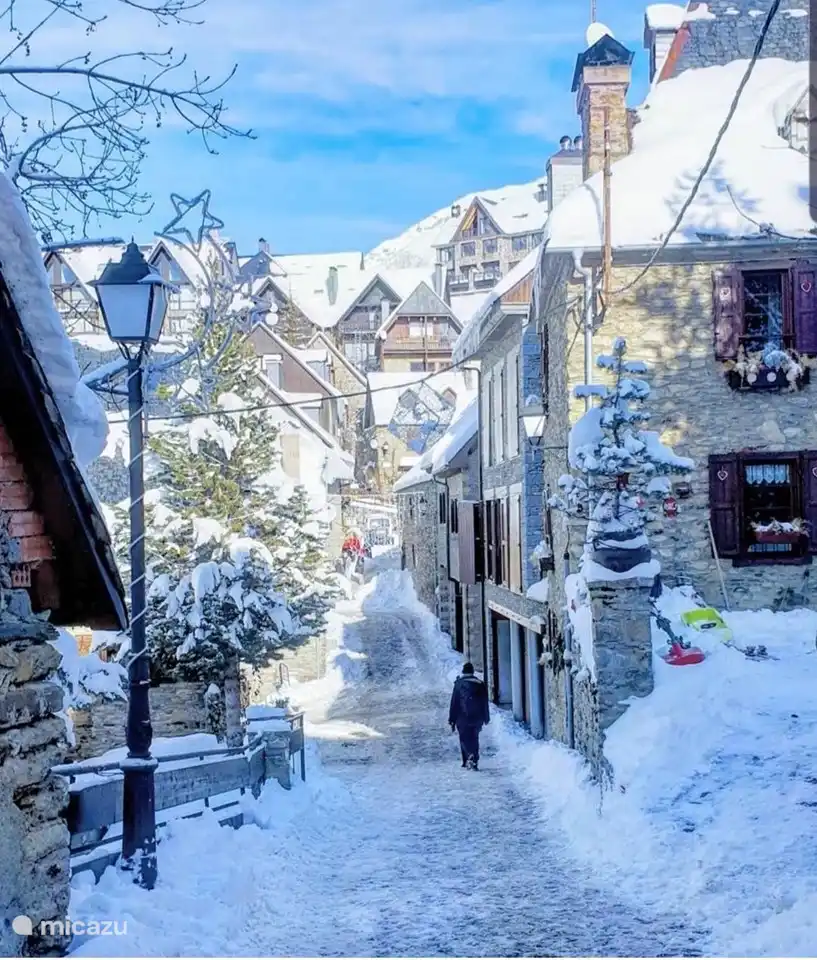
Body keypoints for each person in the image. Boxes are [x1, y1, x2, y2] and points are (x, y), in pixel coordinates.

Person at [448, 662, 490, 770]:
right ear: (472, 671)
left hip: (462, 717)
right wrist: (486, 717)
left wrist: (451, 719)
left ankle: (467, 758)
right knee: (474, 737)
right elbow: (484, 702)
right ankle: (474, 759)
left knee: (463, 737)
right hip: (477, 717)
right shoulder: (480, 684)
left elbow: (454, 703)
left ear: (463, 672)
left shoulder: (458, 684)